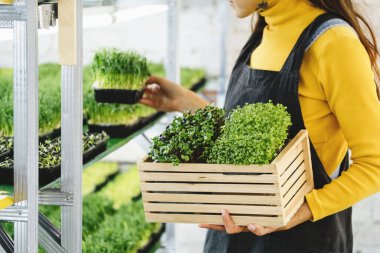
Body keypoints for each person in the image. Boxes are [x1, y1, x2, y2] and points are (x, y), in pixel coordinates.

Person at [139, 0, 380, 252]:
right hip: (230, 240)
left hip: (299, 242)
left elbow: (375, 164)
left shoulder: (334, 43)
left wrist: (296, 212)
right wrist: (186, 103)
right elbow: (249, 138)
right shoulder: (264, 29)